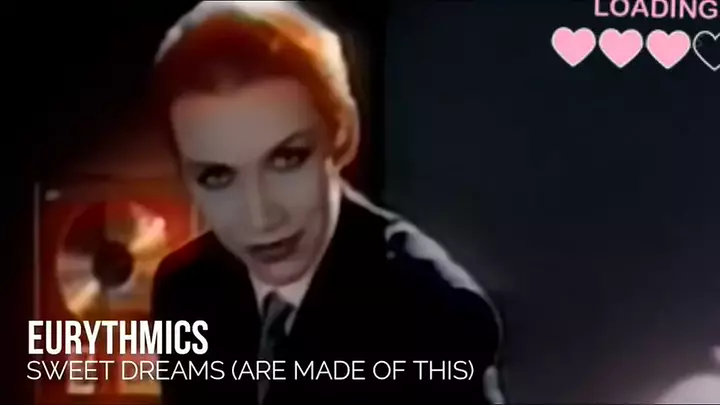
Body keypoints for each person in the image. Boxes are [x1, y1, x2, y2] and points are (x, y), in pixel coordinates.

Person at [149, 2, 504, 404]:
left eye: (287, 159)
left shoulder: (434, 313)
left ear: (343, 135)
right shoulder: (185, 290)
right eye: (217, 176)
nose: (260, 217)